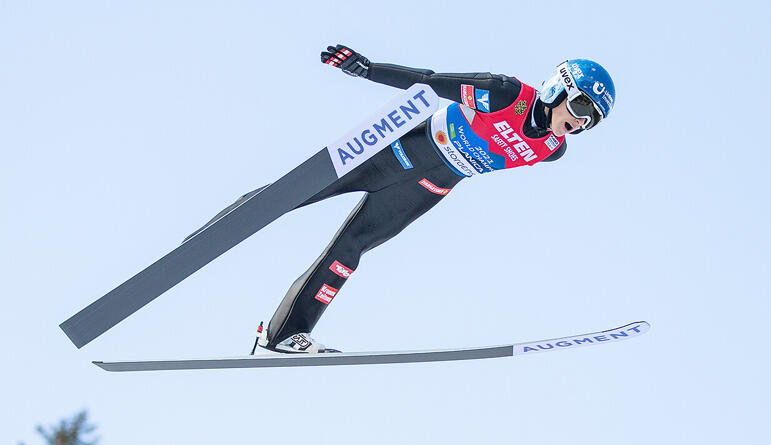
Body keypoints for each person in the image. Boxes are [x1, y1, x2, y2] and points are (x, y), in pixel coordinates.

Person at [190, 44, 616, 353]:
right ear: (557, 87)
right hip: (400, 153)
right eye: (580, 107)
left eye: (590, 121)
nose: (578, 124)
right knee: (292, 193)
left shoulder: (552, 151)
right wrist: (368, 69)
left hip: (429, 188)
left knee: (351, 250)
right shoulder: (505, 94)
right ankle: (207, 236)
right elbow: (429, 83)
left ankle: (284, 334)